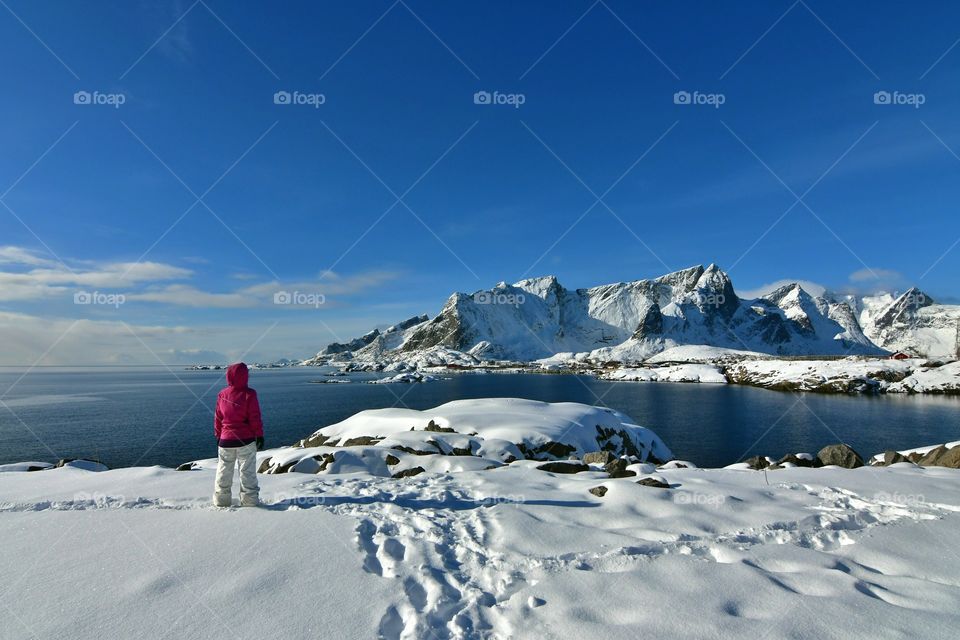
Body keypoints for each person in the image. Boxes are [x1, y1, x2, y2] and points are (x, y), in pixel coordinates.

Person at [213, 362, 264, 507]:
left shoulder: (222, 394)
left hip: (225, 440)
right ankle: (250, 503)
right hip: (246, 441)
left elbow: (218, 417)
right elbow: (255, 417)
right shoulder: (250, 394)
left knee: (223, 472)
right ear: (245, 376)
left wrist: (218, 436)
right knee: (247, 474)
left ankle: (221, 502)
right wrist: (259, 435)